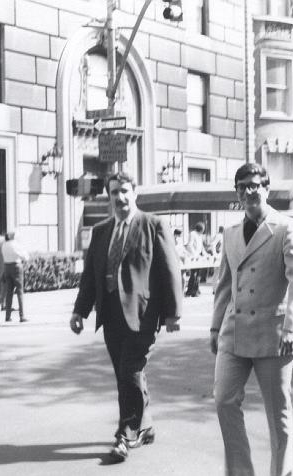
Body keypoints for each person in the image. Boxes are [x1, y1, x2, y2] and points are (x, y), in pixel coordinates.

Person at [69, 172, 182, 463]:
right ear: (109, 196)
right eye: (114, 192)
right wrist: (80, 310)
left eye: (125, 191)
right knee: (127, 372)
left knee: (130, 371)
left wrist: (172, 313)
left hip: (142, 315)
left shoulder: (153, 224)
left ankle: (126, 432)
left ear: (136, 193)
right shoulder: (101, 230)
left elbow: (169, 270)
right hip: (111, 315)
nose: (120, 197)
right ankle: (146, 425)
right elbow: (90, 279)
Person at [211, 163, 293, 476]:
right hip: (234, 332)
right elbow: (224, 285)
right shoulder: (229, 233)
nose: (249, 191)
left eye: (255, 185)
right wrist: (215, 327)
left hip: (274, 335)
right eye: (242, 186)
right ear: (237, 193)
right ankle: (241, 471)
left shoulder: (285, 228)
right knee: (224, 401)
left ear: (266, 188)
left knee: (278, 416)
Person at [0, 231, 29, 322]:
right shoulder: (15, 244)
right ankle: (22, 316)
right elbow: (24, 256)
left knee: (9, 292)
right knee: (20, 292)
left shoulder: (4, 245)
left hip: (7, 267)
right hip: (16, 267)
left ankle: (7, 316)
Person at [185, 221, 208, 297]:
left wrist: (205, 254)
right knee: (194, 274)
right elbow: (189, 245)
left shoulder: (200, 235)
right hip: (193, 257)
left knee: (198, 274)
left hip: (199, 257)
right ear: (200, 229)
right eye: (203, 230)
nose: (203, 231)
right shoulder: (192, 234)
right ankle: (190, 291)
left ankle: (196, 290)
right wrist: (195, 255)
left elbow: (201, 247)